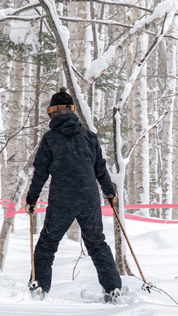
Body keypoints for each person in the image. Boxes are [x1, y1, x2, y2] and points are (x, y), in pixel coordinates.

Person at [25, 88, 123, 302]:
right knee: (97, 244)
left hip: (62, 198)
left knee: (47, 245)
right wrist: (109, 192)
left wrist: (31, 199)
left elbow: (41, 171)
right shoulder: (89, 136)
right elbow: (100, 168)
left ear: (52, 113)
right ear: (72, 111)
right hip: (89, 198)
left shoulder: (50, 138)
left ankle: (39, 289)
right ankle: (113, 289)